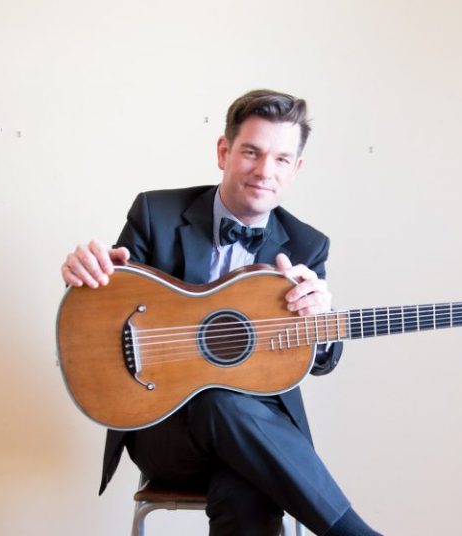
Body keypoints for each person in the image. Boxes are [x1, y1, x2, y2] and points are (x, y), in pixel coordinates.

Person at [61, 89, 381, 536]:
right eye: (251, 152)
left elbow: (321, 362)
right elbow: (104, 304)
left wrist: (320, 322)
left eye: (282, 159)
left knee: (248, 487)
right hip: (164, 431)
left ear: (296, 169)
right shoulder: (156, 213)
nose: (265, 171)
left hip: (261, 440)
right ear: (223, 152)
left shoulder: (307, 245)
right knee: (218, 400)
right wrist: (87, 275)